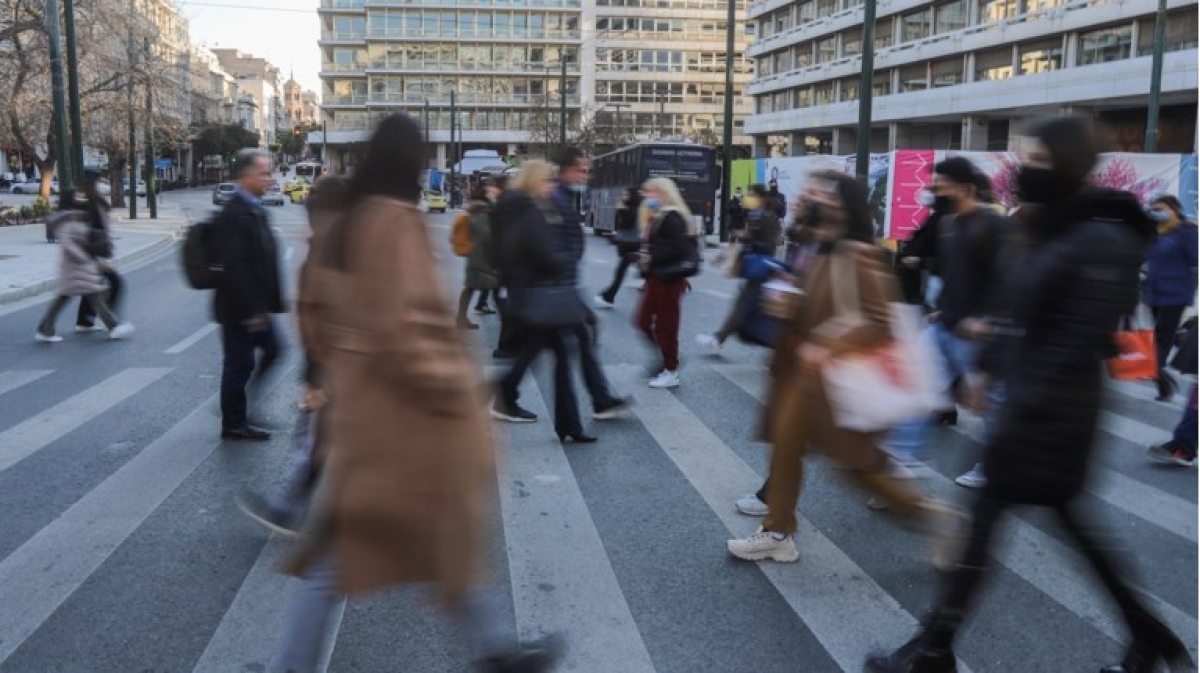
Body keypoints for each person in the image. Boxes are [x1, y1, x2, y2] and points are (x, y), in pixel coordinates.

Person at [868, 116, 1190, 673]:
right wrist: (988, 366)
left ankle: (935, 649)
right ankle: (1148, 638)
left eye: (1038, 162)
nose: (1026, 173)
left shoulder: (1100, 236)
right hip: (1037, 402)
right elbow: (1017, 306)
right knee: (1065, 529)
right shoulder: (1049, 224)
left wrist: (1014, 394)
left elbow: (1072, 338)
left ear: (1066, 164)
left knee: (994, 523)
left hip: (1055, 411)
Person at [273, 114, 561, 673]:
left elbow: (312, 311)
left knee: (394, 539)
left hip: (362, 412)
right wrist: (456, 388)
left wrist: (338, 368)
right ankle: (493, 649)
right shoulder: (394, 221)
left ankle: (494, 647)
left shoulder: (344, 222)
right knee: (420, 532)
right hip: (405, 415)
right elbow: (408, 327)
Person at [725, 171, 963, 565]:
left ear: (842, 206)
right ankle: (777, 531)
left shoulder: (859, 254)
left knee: (859, 469)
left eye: (821, 193)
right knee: (785, 449)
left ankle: (935, 517)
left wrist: (828, 343)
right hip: (803, 379)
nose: (810, 196)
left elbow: (878, 321)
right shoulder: (818, 246)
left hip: (838, 383)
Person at [881, 157, 1011, 488]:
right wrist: (941, 308)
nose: (935, 193)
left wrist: (988, 319)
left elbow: (1008, 279)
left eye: (942, 188)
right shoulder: (952, 223)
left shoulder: (992, 226)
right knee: (918, 383)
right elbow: (956, 275)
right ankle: (899, 456)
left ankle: (996, 466)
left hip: (975, 332)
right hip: (945, 324)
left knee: (991, 406)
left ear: (966, 188)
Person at [236, 175, 350, 535]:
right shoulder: (343, 245)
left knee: (314, 438)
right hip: (349, 363)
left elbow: (327, 314)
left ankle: (288, 509)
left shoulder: (329, 251)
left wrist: (316, 375)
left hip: (337, 366)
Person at [491, 160, 598, 442]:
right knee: (556, 352)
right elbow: (545, 252)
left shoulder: (511, 207)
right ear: (535, 181)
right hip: (541, 293)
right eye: (548, 179)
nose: (552, 185)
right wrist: (564, 262)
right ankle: (566, 424)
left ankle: (565, 423)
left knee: (541, 351)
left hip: (529, 293)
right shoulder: (532, 210)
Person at [548, 147, 630, 418]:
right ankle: (598, 401)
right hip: (559, 287)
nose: (587, 175)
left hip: (563, 286)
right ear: (567, 170)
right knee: (579, 339)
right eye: (582, 170)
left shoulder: (564, 197)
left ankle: (600, 400)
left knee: (579, 339)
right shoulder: (557, 199)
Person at [213, 148, 285, 442]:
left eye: (269, 172)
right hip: (240, 308)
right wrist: (255, 309)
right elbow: (235, 267)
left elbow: (264, 258)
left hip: (256, 304)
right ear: (245, 175)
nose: (269, 178)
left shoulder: (255, 207)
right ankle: (233, 422)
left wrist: (274, 300)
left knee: (273, 351)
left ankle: (240, 406)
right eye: (264, 173)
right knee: (239, 364)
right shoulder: (234, 213)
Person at [35, 189, 134, 343]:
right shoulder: (65, 219)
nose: (82, 197)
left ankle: (45, 329)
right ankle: (114, 326)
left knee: (67, 297)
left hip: (78, 265)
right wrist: (83, 257)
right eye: (78, 195)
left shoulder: (75, 216)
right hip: (74, 264)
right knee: (92, 295)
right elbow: (67, 243)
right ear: (69, 199)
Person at [697, 183, 782, 353]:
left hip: (762, 269)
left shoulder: (769, 217)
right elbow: (739, 243)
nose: (748, 198)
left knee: (744, 307)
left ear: (762, 198)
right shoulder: (754, 215)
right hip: (753, 268)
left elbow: (769, 246)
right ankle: (719, 338)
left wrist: (748, 238)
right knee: (748, 307)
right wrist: (721, 258)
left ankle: (719, 338)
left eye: (752, 195)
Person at [637, 177, 695, 389]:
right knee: (642, 321)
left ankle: (671, 369)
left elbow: (679, 249)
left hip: (669, 280)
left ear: (664, 194)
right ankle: (666, 359)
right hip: (656, 278)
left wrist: (653, 257)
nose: (646, 197)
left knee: (666, 326)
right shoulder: (658, 216)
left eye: (651, 192)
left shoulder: (672, 217)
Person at [1143, 194, 1197, 401]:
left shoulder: (1186, 232)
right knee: (1158, 338)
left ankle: (1160, 379)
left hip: (1176, 294)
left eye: (1162, 208)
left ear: (1174, 210)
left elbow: (1195, 258)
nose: (1158, 212)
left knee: (1161, 339)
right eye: (1154, 209)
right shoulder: (1155, 232)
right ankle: (1161, 377)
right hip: (1155, 293)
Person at [73, 172, 123, 332]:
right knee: (115, 283)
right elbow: (97, 231)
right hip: (93, 252)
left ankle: (84, 322)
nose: (103, 185)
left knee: (90, 287)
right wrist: (104, 256)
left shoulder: (94, 200)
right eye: (99, 182)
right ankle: (108, 320)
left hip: (92, 251)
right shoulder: (88, 202)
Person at [455, 188, 500, 329]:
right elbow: (487, 236)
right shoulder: (481, 214)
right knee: (484, 287)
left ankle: (462, 317)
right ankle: (462, 317)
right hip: (480, 258)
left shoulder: (472, 212)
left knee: (470, 288)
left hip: (475, 257)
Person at [594, 187, 643, 308]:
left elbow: (627, 225)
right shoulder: (630, 208)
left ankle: (608, 296)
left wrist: (621, 210)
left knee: (620, 271)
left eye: (627, 194)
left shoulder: (635, 209)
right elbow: (622, 228)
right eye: (623, 194)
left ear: (633, 196)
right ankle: (608, 295)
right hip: (628, 243)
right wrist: (614, 239)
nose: (624, 196)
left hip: (632, 244)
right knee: (625, 270)